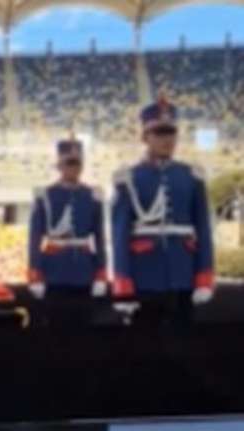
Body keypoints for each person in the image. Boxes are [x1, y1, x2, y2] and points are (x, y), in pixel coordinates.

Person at [111, 96, 215, 328]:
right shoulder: (128, 178)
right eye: (159, 132)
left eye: (171, 132)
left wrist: (204, 276)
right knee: (144, 351)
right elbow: (119, 234)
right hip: (144, 276)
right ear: (144, 137)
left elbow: (204, 230)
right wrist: (123, 283)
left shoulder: (191, 176)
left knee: (184, 347)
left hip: (183, 275)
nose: (167, 139)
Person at [27, 136, 107, 326]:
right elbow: (35, 237)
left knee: (84, 325)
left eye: (77, 163)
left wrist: (100, 273)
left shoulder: (92, 195)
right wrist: (35, 273)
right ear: (59, 165)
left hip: (84, 272)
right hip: (54, 271)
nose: (73, 168)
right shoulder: (46, 196)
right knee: (55, 326)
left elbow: (99, 237)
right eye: (69, 163)